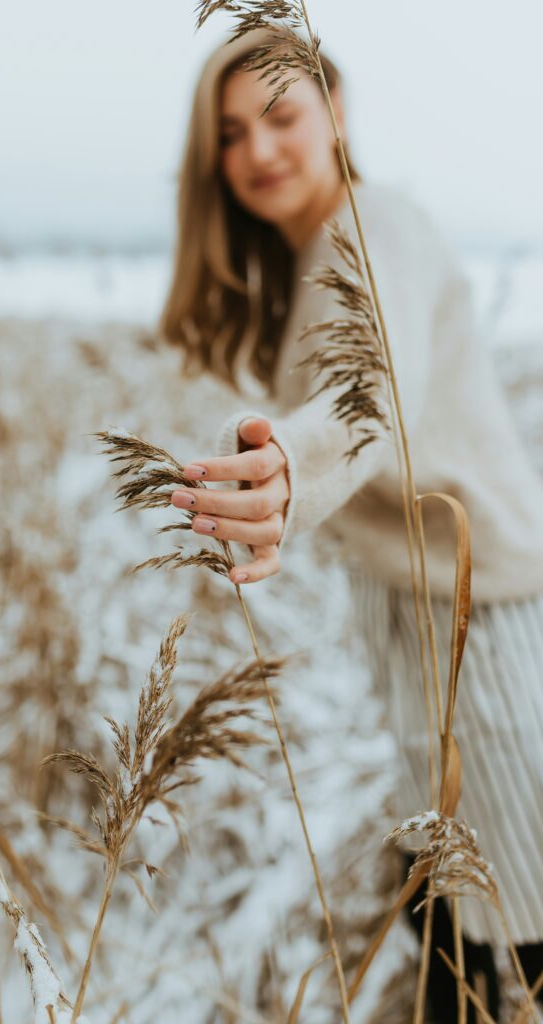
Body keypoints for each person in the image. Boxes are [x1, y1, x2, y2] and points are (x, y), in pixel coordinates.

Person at [158, 25, 543, 1022]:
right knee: (450, 902)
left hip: (482, 618)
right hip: (418, 615)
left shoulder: (374, 227)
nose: (258, 152)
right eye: (231, 134)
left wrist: (290, 467)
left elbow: (368, 387)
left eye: (280, 117)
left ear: (335, 114)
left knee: (526, 909)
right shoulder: (316, 252)